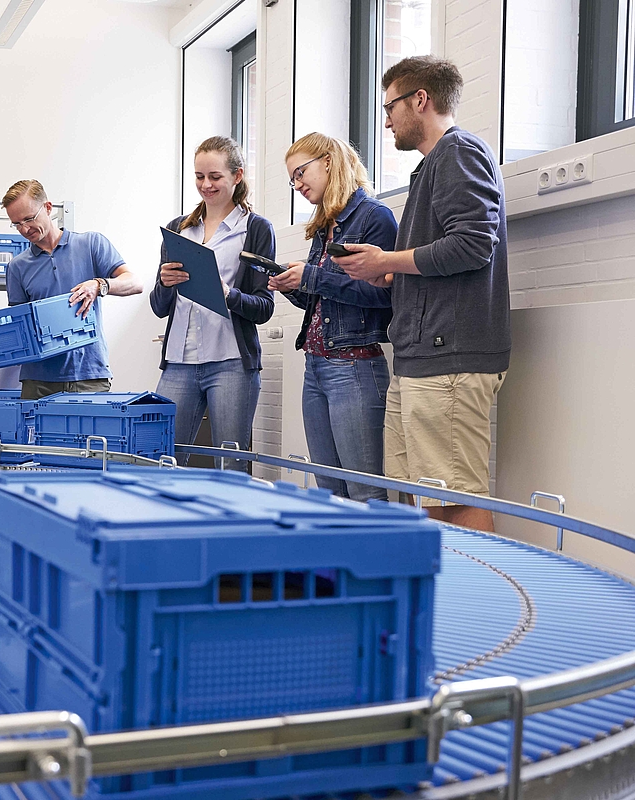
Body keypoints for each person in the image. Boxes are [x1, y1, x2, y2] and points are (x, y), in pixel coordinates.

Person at [337, 56, 510, 532]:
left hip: (449, 357)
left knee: (453, 495)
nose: (386, 118)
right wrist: (388, 276)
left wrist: (387, 261)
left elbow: (474, 244)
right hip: (422, 356)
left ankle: (478, 604)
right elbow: (444, 255)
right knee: (426, 493)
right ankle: (442, 597)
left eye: (389, 105)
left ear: (420, 99)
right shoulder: (433, 167)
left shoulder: (459, 152)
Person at [268, 133, 397, 502]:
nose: (297, 184)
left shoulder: (374, 216)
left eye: (300, 172)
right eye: (292, 179)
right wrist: (293, 285)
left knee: (365, 492)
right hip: (317, 367)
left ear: (328, 161)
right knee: (328, 492)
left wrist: (310, 276)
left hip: (354, 368)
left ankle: (370, 562)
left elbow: (385, 294)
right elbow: (326, 300)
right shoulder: (327, 224)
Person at [150, 136, 274, 467]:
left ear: (237, 176)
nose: (206, 185)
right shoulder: (180, 229)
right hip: (179, 362)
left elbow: (265, 307)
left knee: (231, 465)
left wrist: (229, 295)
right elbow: (160, 306)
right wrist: (164, 283)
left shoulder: (256, 229)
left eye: (215, 177)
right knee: (162, 459)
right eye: (199, 176)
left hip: (232, 362)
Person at [0, 179, 142, 399]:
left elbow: (134, 283)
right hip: (38, 381)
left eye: (29, 219)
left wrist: (99, 284)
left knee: (94, 435)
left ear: (47, 208)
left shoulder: (91, 244)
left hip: (89, 374)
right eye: (16, 224)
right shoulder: (17, 267)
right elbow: (20, 325)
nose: (24, 229)